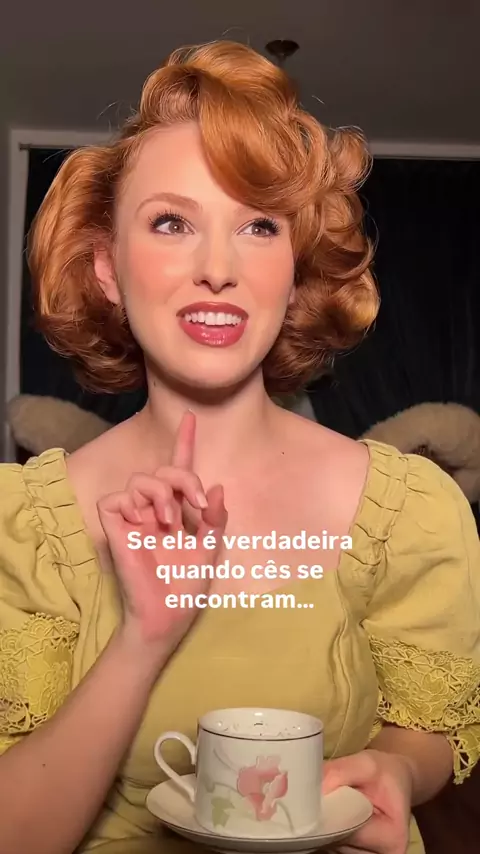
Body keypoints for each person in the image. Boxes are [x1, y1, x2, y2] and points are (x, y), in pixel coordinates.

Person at [0, 39, 479, 854]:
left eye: (258, 225)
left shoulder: (409, 510)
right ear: (108, 268)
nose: (217, 267)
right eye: (172, 222)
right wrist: (143, 639)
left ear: (293, 272)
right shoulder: (26, 526)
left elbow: (426, 730)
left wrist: (397, 769)